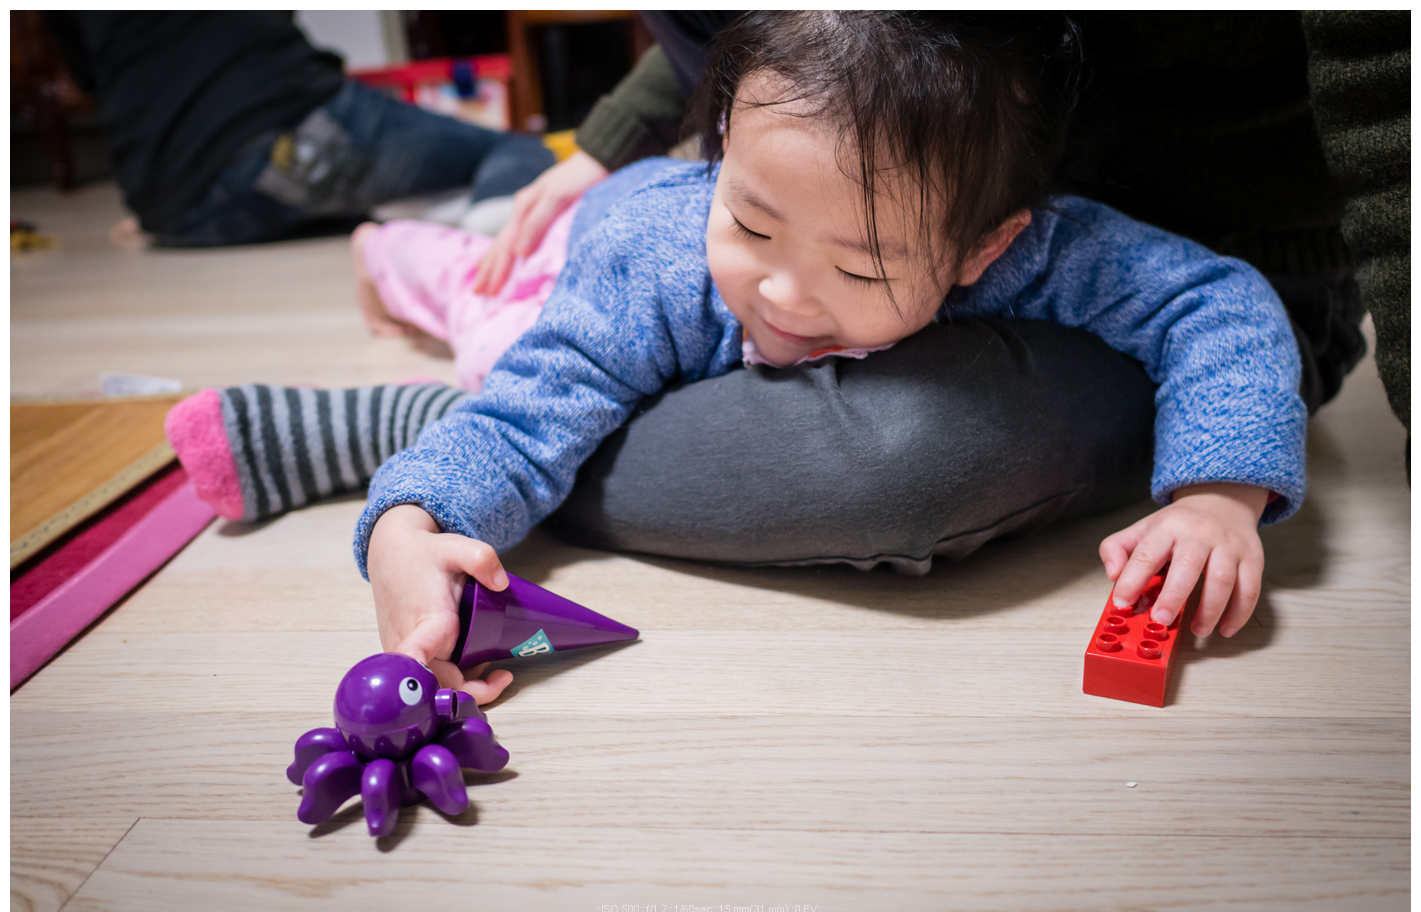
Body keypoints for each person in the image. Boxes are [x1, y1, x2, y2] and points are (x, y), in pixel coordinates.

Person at [167, 12, 1306, 704]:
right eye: (751, 223)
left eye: (859, 269)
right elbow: (524, 415)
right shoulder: (657, 258)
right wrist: (409, 524)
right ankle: (394, 256)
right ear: (719, 147)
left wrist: (1216, 494)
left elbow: (1213, 300)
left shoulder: (1039, 248)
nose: (783, 293)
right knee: (488, 317)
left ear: (982, 250)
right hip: (582, 258)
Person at [42, 11, 555, 247]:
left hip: (170, 210)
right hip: (288, 122)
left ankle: (430, 221)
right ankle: (479, 250)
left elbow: (88, 76)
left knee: (369, 204)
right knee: (517, 151)